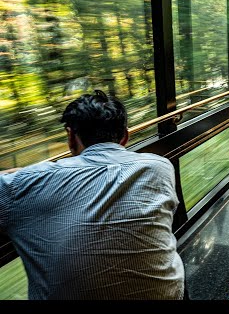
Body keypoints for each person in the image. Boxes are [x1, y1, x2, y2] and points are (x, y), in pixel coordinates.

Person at [0, 90, 185, 300]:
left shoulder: (25, 183)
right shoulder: (159, 166)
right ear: (125, 135)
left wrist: (18, 174)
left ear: (70, 136)